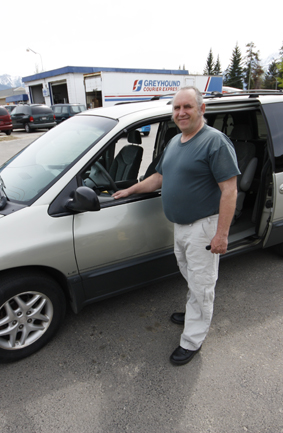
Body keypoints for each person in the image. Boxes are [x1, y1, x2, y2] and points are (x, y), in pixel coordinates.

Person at [113, 86, 240, 365]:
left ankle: (193, 339)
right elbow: (159, 177)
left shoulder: (214, 142)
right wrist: (130, 190)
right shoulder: (175, 141)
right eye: (176, 108)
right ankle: (195, 310)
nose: (181, 113)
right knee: (191, 275)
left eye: (188, 107)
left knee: (203, 282)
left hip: (204, 227)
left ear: (201, 109)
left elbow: (229, 191)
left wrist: (222, 234)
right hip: (181, 226)